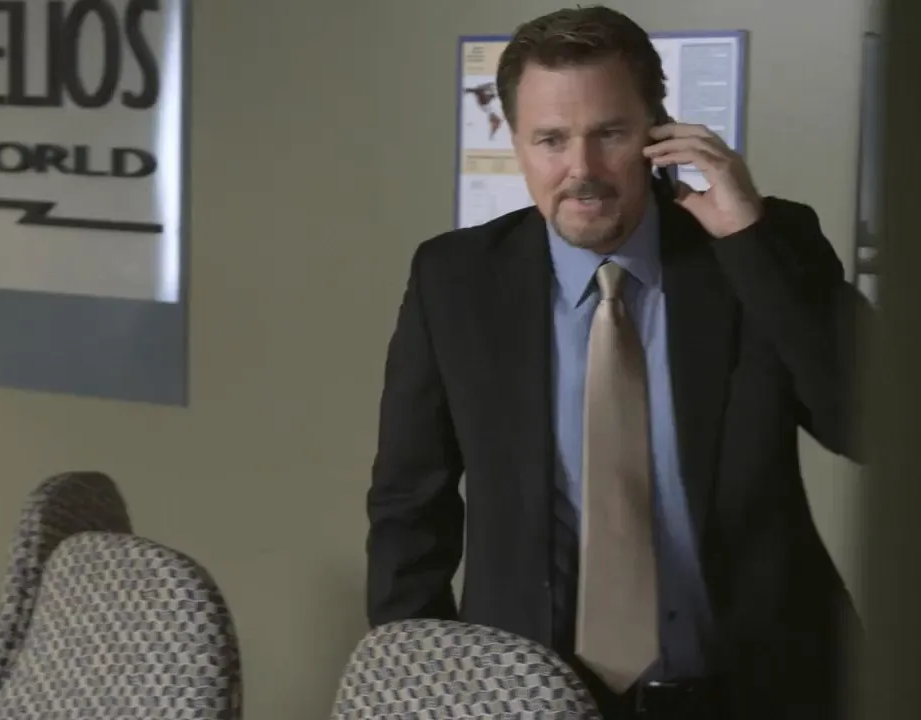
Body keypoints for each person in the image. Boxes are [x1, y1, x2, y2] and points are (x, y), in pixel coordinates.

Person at [366, 6, 869, 720]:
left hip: (759, 692)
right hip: (530, 699)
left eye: (609, 134)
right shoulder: (455, 279)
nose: (582, 171)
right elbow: (409, 506)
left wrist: (749, 242)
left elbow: (874, 429)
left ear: (658, 133)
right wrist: (423, 684)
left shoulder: (762, 248)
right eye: (551, 139)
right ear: (516, 143)